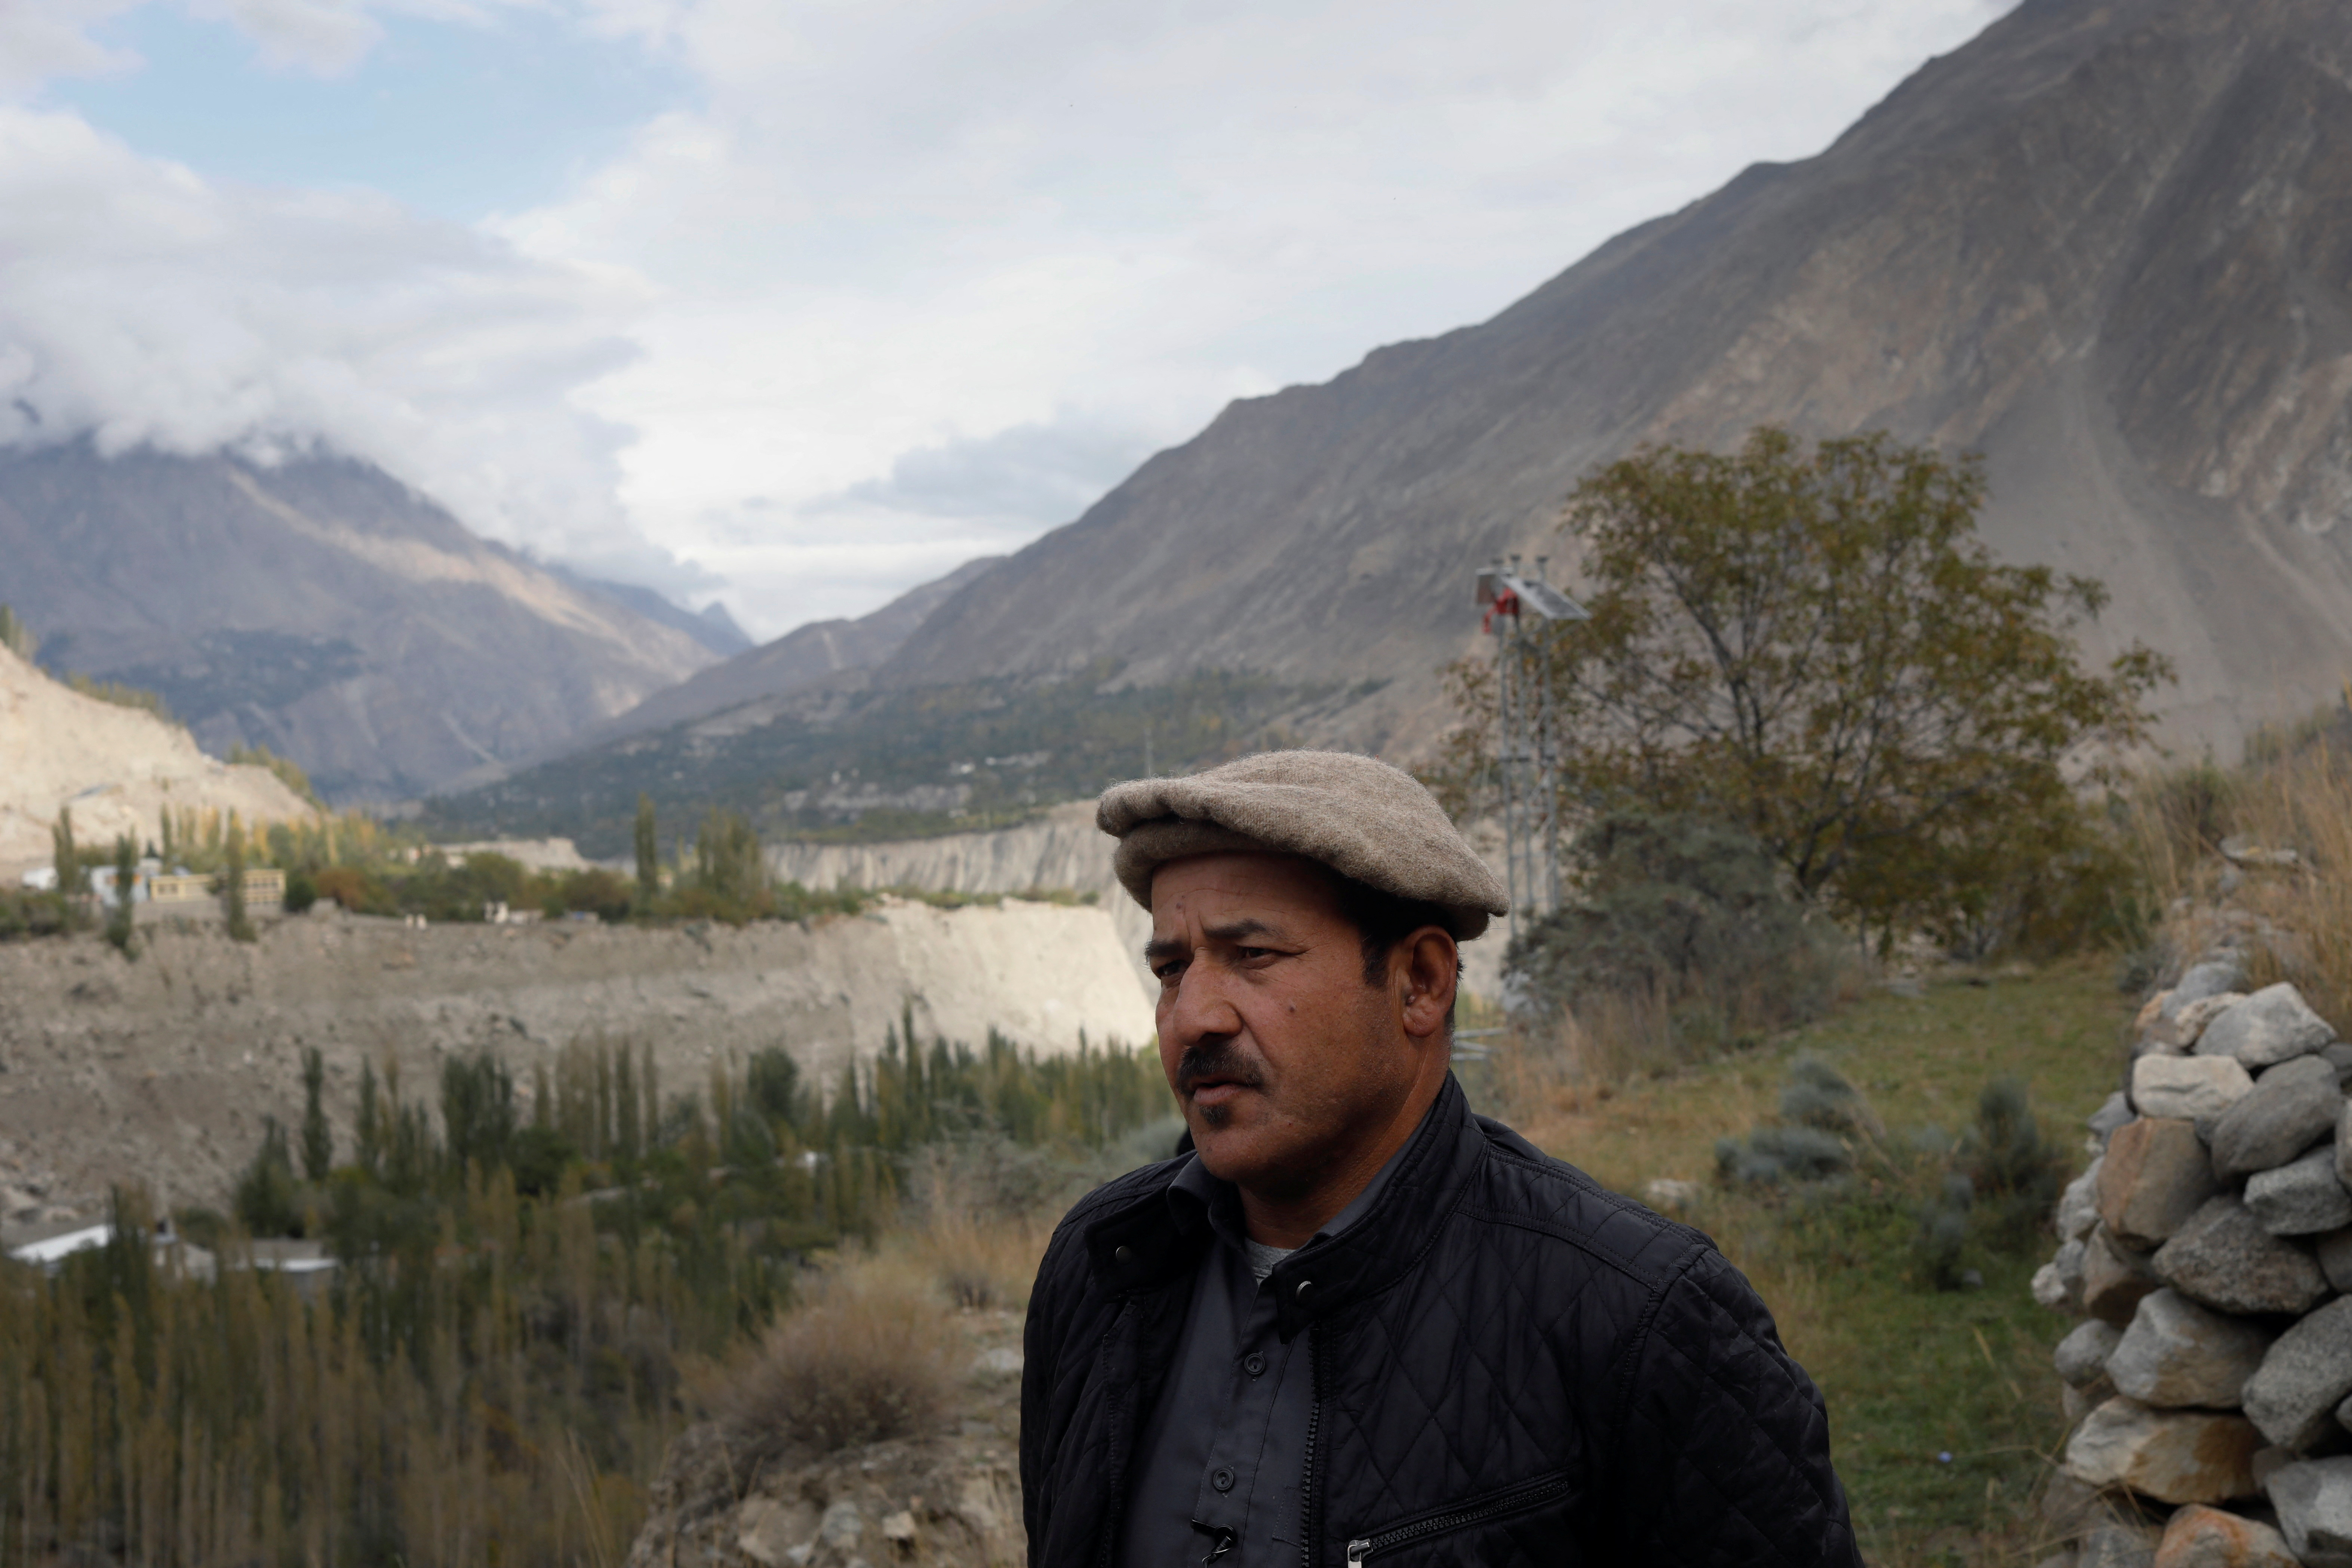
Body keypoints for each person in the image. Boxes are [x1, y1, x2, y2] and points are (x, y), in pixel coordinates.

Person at [1020, 749, 1859, 1567]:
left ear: (1419, 982)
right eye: (1171, 969)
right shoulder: (1104, 1266)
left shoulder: (1643, 1319)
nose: (1192, 1015)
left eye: (1253, 956)